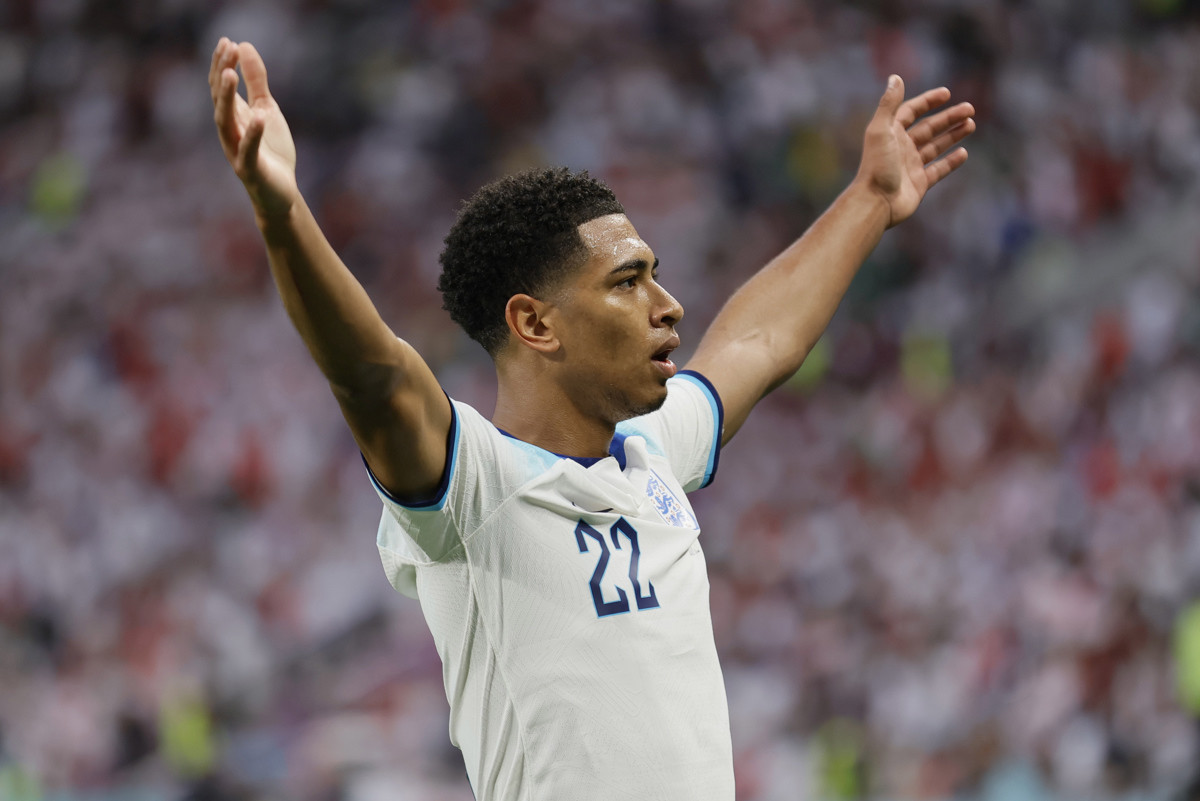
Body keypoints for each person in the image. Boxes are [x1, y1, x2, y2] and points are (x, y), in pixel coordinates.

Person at [208, 36, 974, 801]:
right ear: (535, 324)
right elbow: (372, 375)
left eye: (657, 277)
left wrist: (870, 198)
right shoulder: (476, 487)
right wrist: (284, 214)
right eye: (627, 282)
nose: (667, 307)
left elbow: (758, 340)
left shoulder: (651, 452)